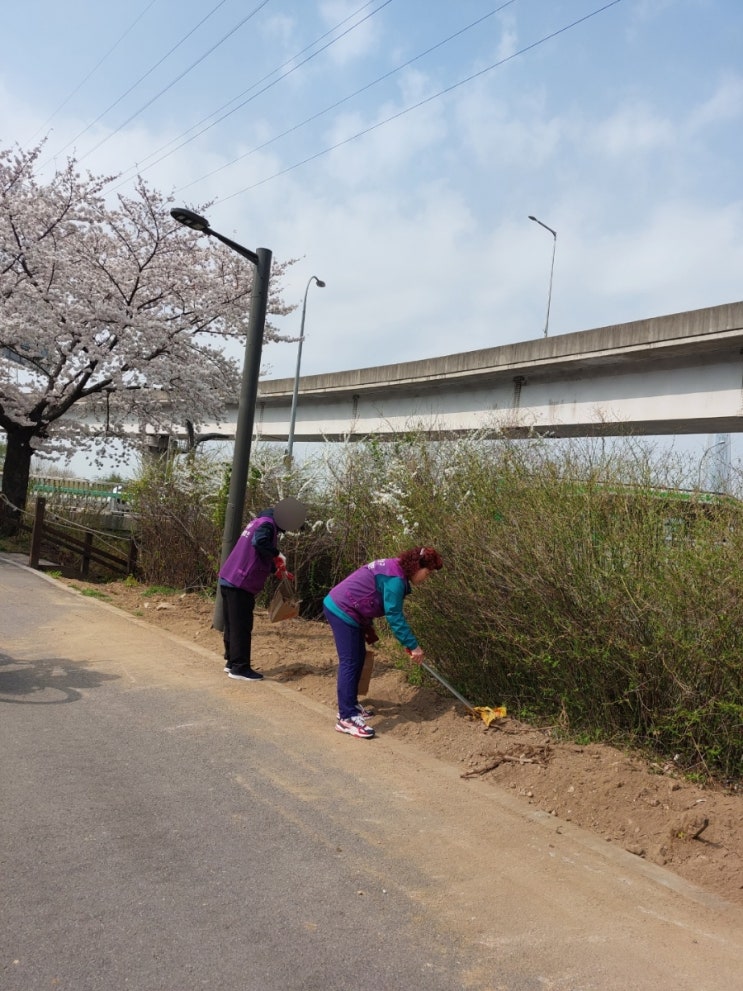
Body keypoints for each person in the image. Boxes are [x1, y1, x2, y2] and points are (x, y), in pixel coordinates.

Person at [323, 546, 444, 739]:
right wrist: (413, 646)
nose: (426, 578)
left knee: (358, 657)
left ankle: (351, 705)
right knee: (350, 661)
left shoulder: (395, 568)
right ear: (417, 566)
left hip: (349, 609)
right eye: (427, 573)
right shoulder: (395, 579)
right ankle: (346, 718)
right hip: (342, 610)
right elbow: (394, 616)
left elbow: (371, 595)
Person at [218, 497, 307, 682]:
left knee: (232, 625)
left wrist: (276, 569)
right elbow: (259, 542)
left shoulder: (259, 521)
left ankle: (232, 662)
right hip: (241, 581)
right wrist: (277, 553)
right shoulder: (268, 525)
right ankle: (240, 668)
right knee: (242, 626)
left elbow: (256, 553)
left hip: (229, 578)